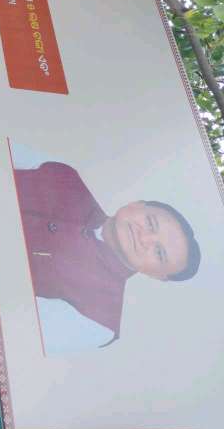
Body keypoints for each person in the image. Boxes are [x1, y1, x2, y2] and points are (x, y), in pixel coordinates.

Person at [12, 152, 201, 355]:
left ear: (157, 276)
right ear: (135, 204)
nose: (144, 238)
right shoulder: (65, 173)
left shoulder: (99, 323)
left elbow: (14, 330)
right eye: (150, 223)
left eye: (159, 253)